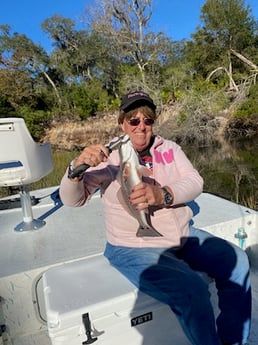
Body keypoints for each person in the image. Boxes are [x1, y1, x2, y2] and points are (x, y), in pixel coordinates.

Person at [59, 90, 251, 345]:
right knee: (191, 289)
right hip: (133, 245)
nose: (141, 127)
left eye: (147, 120)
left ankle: (233, 340)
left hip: (181, 236)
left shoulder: (169, 148)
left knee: (237, 261)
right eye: (133, 121)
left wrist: (162, 195)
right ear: (122, 123)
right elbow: (73, 199)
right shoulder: (109, 157)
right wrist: (76, 169)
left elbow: (195, 182)